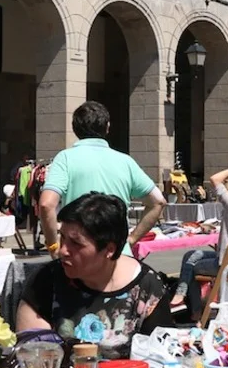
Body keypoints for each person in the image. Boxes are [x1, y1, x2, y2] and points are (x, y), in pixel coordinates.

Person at [17, 193, 173, 360]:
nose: (63, 251)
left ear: (109, 249)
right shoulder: (46, 280)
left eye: (76, 243)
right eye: (62, 237)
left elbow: (162, 360)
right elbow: (33, 359)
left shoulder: (147, 287)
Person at [40, 101, 166, 258]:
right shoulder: (125, 161)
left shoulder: (65, 158)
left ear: (74, 128)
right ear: (107, 127)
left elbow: (46, 204)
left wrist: (53, 246)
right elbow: (158, 202)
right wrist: (131, 239)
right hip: (118, 255)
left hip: (80, 256)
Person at [170, 157, 228, 318]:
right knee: (191, 255)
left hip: (227, 265)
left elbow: (214, 179)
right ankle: (182, 294)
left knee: (191, 266)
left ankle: (194, 309)